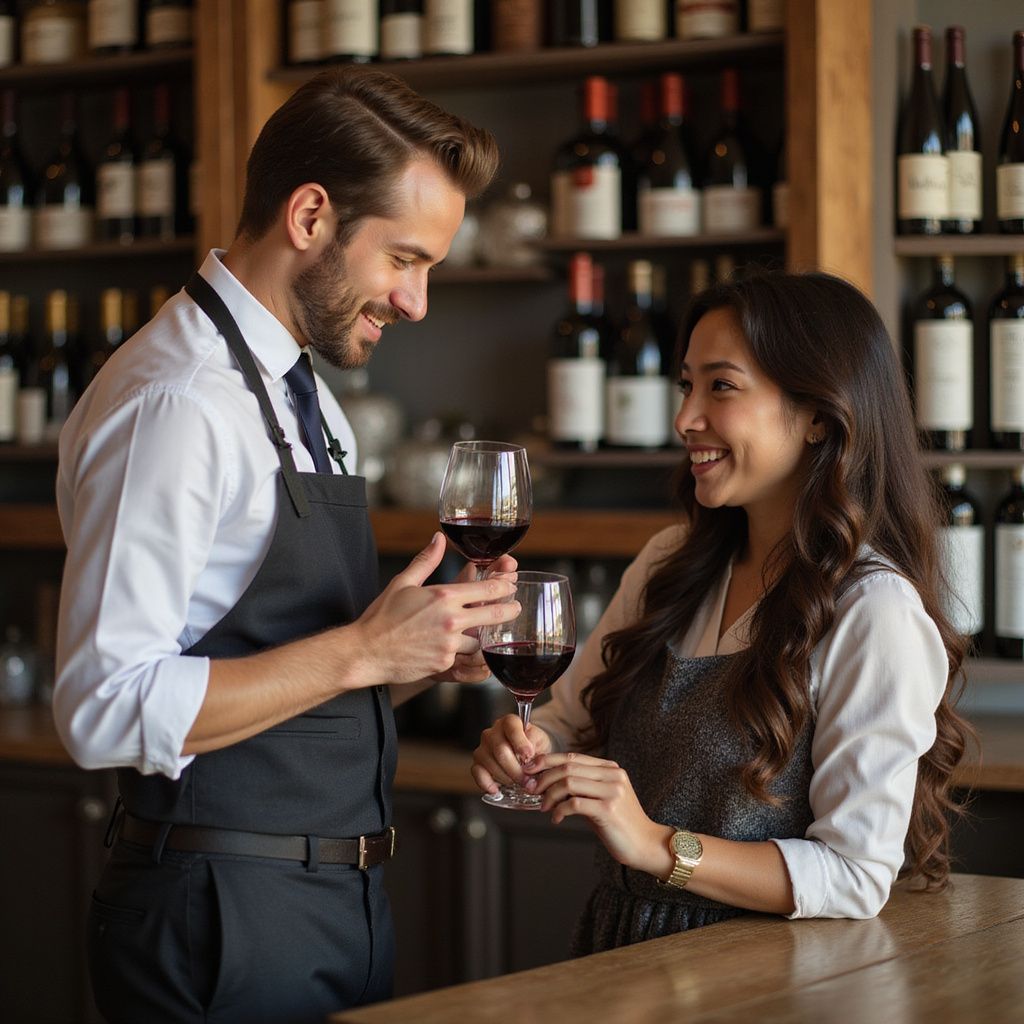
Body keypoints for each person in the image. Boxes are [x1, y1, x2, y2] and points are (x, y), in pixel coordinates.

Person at [54, 68, 519, 1024]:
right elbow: (101, 706)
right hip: (219, 919)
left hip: (333, 903)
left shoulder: (303, 396)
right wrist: (360, 649)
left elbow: (289, 686)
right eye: (404, 258)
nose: (418, 301)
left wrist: (415, 653)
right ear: (311, 216)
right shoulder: (180, 402)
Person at [473, 271, 973, 954]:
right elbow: (569, 724)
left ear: (820, 413)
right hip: (618, 956)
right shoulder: (668, 562)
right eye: (686, 385)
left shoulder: (872, 610)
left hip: (754, 980)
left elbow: (856, 875)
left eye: (722, 386)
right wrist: (531, 751)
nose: (684, 419)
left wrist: (655, 845)